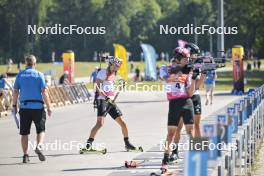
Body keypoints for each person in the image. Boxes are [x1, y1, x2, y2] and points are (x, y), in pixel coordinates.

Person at [85, 56, 136, 151]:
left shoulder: (114, 74)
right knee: (100, 123)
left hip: (110, 101)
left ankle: (127, 143)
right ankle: (88, 144)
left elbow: (112, 91)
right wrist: (105, 97)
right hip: (102, 100)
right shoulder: (103, 72)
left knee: (123, 123)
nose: (118, 67)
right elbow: (97, 87)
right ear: (111, 64)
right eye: (116, 65)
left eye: (119, 66)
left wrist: (120, 87)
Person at [159, 47, 196, 171]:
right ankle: (165, 159)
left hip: (187, 102)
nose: (187, 61)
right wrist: (177, 73)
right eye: (186, 59)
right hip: (174, 103)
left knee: (191, 132)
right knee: (170, 134)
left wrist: (194, 76)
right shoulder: (166, 68)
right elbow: (166, 78)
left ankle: (195, 159)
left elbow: (190, 93)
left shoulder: (188, 71)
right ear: (179, 59)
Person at [12, 55, 52, 163]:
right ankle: (39, 146)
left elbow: (15, 91)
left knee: (24, 133)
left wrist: (14, 106)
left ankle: (25, 155)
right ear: (35, 63)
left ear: (26, 63)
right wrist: (49, 107)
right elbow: (44, 92)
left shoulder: (20, 75)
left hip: (24, 108)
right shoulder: (39, 75)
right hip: (38, 107)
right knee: (41, 130)